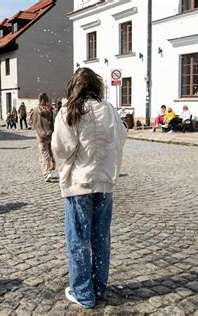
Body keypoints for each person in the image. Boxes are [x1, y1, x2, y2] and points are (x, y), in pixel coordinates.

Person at [52, 68, 127, 308]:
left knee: (78, 239)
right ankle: (99, 288)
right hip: (104, 182)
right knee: (101, 238)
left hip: (79, 183)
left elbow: (61, 149)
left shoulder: (70, 111)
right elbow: (121, 138)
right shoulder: (109, 110)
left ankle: (83, 293)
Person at [31, 92, 55, 181]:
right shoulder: (49, 110)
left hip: (40, 135)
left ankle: (46, 172)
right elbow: (52, 123)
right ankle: (50, 168)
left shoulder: (35, 110)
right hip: (49, 134)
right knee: (50, 152)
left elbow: (31, 122)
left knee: (44, 153)